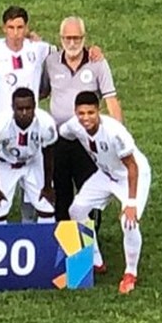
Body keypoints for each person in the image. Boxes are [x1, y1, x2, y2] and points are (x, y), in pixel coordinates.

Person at [42, 16, 122, 260]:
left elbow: (111, 100)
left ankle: (89, 252)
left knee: (89, 195)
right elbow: (42, 91)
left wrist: (118, 137)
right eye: (68, 38)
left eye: (77, 38)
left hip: (89, 142)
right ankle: (69, 250)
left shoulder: (97, 63)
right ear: (61, 39)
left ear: (84, 39)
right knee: (62, 194)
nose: (72, 42)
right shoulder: (51, 62)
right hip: (60, 140)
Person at [59, 91, 151, 294]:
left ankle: (130, 273)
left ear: (98, 111)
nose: (86, 118)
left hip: (130, 176)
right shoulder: (73, 126)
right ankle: (95, 261)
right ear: (75, 112)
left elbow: (132, 166)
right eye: (81, 113)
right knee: (77, 210)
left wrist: (131, 203)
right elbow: (63, 135)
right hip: (106, 174)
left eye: (90, 112)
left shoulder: (115, 133)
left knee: (129, 221)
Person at [0, 87, 58, 224]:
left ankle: (45, 244)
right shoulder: (0, 126)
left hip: (33, 162)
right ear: (13, 107)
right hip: (5, 164)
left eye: (28, 108)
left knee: (47, 207)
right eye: (19, 109)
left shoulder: (46, 124)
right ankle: (1, 241)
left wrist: (47, 186)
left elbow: (49, 155)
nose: (24, 113)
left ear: (34, 106)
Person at [0, 5, 53, 128]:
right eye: (11, 28)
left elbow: (64, 54)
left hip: (29, 119)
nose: (15, 33)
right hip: (0, 120)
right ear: (4, 28)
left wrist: (91, 51)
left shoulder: (38, 48)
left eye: (20, 27)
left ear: (26, 28)